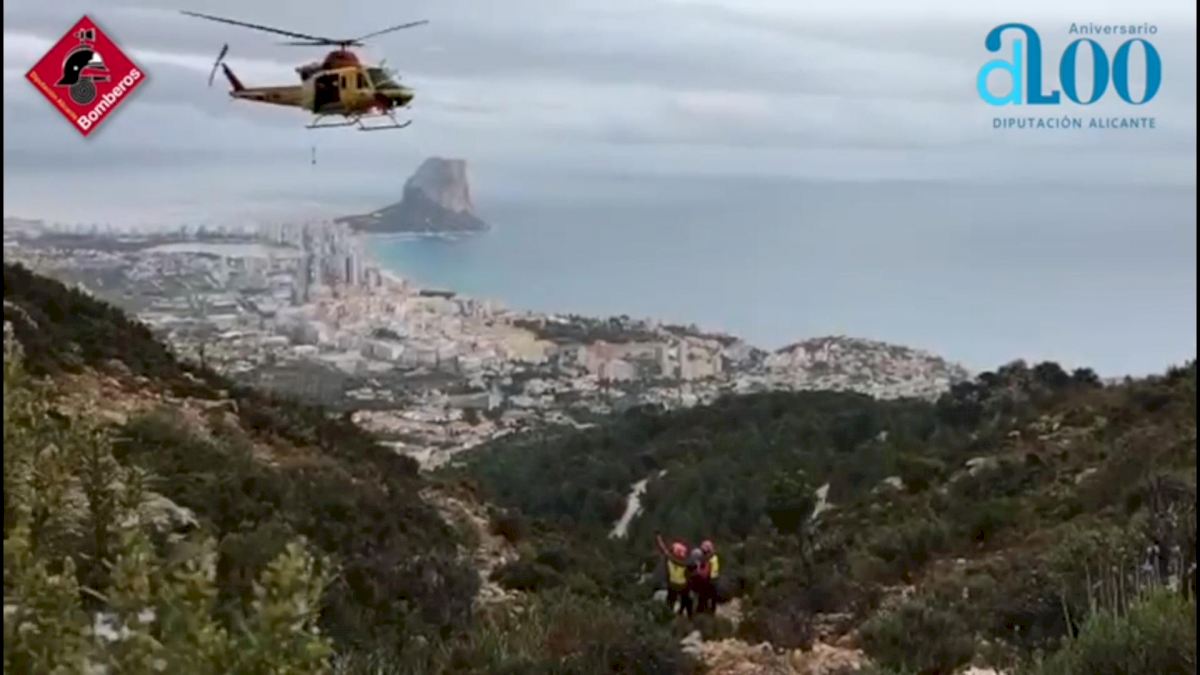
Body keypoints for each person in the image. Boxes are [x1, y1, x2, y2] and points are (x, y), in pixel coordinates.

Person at [655, 533, 694, 617]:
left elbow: (663, 548)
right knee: (687, 600)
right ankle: (689, 615)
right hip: (683, 585)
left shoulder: (669, 558)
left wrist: (658, 538)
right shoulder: (686, 563)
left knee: (670, 601)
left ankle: (667, 616)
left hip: (672, 584)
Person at [698, 540, 720, 613]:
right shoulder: (715, 557)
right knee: (713, 598)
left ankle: (701, 612)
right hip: (715, 579)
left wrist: (698, 571)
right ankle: (712, 611)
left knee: (703, 597)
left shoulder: (708, 559)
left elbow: (705, 573)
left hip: (708, 580)